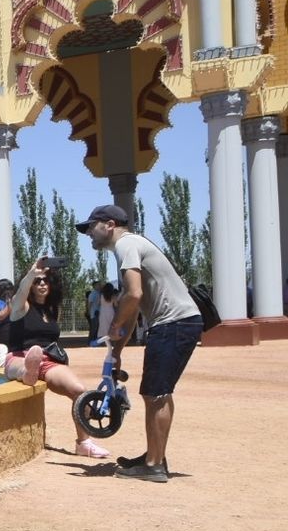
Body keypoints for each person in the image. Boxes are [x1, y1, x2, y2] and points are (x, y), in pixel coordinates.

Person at [78, 204, 204, 483]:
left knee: (156, 393)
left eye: (91, 226)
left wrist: (112, 327)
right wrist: (117, 351)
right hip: (175, 323)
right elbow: (133, 309)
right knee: (155, 392)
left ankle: (154, 464)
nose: (88, 233)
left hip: (174, 323)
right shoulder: (130, 247)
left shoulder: (126, 244)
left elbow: (132, 296)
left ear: (109, 224)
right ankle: (154, 456)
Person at [2, 258, 109, 458]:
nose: (41, 284)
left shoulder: (52, 310)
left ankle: (83, 443)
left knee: (80, 391)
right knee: (20, 366)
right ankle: (28, 372)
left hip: (48, 361)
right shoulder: (21, 307)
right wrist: (31, 274)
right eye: (37, 281)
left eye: (45, 280)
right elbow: (19, 294)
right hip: (19, 355)